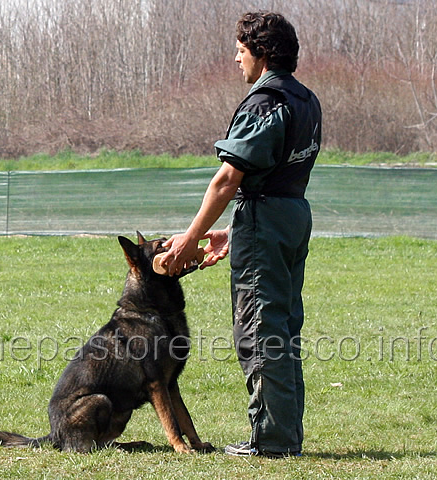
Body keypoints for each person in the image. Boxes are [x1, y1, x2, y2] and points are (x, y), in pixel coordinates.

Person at [159, 11, 322, 457]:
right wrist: (233, 231)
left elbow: (228, 179)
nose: (236, 58)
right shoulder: (306, 100)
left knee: (259, 329)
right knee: (284, 329)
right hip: (292, 216)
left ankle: (271, 440)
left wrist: (191, 237)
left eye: (241, 50)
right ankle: (285, 435)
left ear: (262, 54)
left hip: (266, 223)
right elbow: (280, 175)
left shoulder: (264, 102)